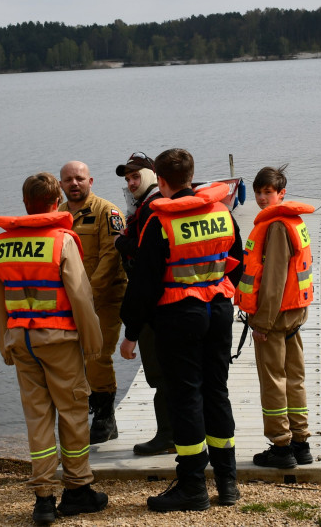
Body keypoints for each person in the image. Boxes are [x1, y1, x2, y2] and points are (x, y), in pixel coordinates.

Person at [119, 148, 244, 512]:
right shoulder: (222, 212)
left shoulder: (161, 222)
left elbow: (144, 282)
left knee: (186, 397)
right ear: (192, 175)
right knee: (216, 392)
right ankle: (227, 482)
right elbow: (236, 261)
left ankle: (192, 486)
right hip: (219, 310)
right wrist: (222, 289)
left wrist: (130, 332)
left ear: (160, 180)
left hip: (178, 316)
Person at [0, 172, 108, 525]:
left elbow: (0, 301)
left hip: (20, 340)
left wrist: (4, 344)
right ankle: (77, 489)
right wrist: (93, 343)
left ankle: (43, 497)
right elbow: (80, 296)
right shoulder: (61, 241)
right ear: (55, 202)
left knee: (37, 417)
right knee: (73, 411)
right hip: (58, 339)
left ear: (25, 203)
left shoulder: (1, 244)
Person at [237, 166, 316, 468]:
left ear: (281, 193)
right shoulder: (294, 221)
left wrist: (261, 323)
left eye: (267, 192)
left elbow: (274, 280)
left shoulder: (276, 227)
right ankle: (302, 442)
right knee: (295, 379)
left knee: (274, 381)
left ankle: (281, 447)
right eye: (258, 192)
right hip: (294, 315)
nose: (261, 198)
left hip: (275, 318)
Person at [58, 161, 126, 444]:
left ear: (91, 181)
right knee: (74, 357)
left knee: (98, 355)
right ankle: (92, 404)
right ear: (61, 184)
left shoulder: (107, 213)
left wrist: (87, 295)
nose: (74, 184)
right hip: (70, 301)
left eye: (80, 179)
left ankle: (105, 417)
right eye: (69, 180)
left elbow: (111, 257)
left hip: (106, 298)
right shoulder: (57, 214)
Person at [113, 152, 174, 456]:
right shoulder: (152, 204)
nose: (131, 182)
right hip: (178, 305)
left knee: (160, 375)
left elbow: (144, 266)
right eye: (127, 179)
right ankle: (183, 433)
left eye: (136, 176)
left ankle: (168, 436)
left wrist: (120, 242)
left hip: (156, 308)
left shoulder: (150, 209)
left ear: (152, 176)